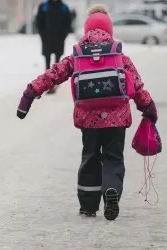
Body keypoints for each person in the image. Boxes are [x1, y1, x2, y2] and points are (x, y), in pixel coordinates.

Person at [16, 4, 158, 221]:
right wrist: (148, 107)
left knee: (90, 157)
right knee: (113, 158)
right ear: (109, 29)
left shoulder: (78, 55)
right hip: (117, 118)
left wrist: (30, 92)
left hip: (88, 118)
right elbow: (136, 86)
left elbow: (53, 74)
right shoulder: (119, 55)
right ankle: (111, 190)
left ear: (87, 29)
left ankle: (88, 205)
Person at [35, 0, 72, 94]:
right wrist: (42, 35)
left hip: (59, 38)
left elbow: (68, 22)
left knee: (57, 63)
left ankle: (55, 83)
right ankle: (47, 82)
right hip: (47, 38)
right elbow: (38, 21)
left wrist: (63, 35)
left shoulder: (64, 7)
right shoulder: (44, 6)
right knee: (47, 63)